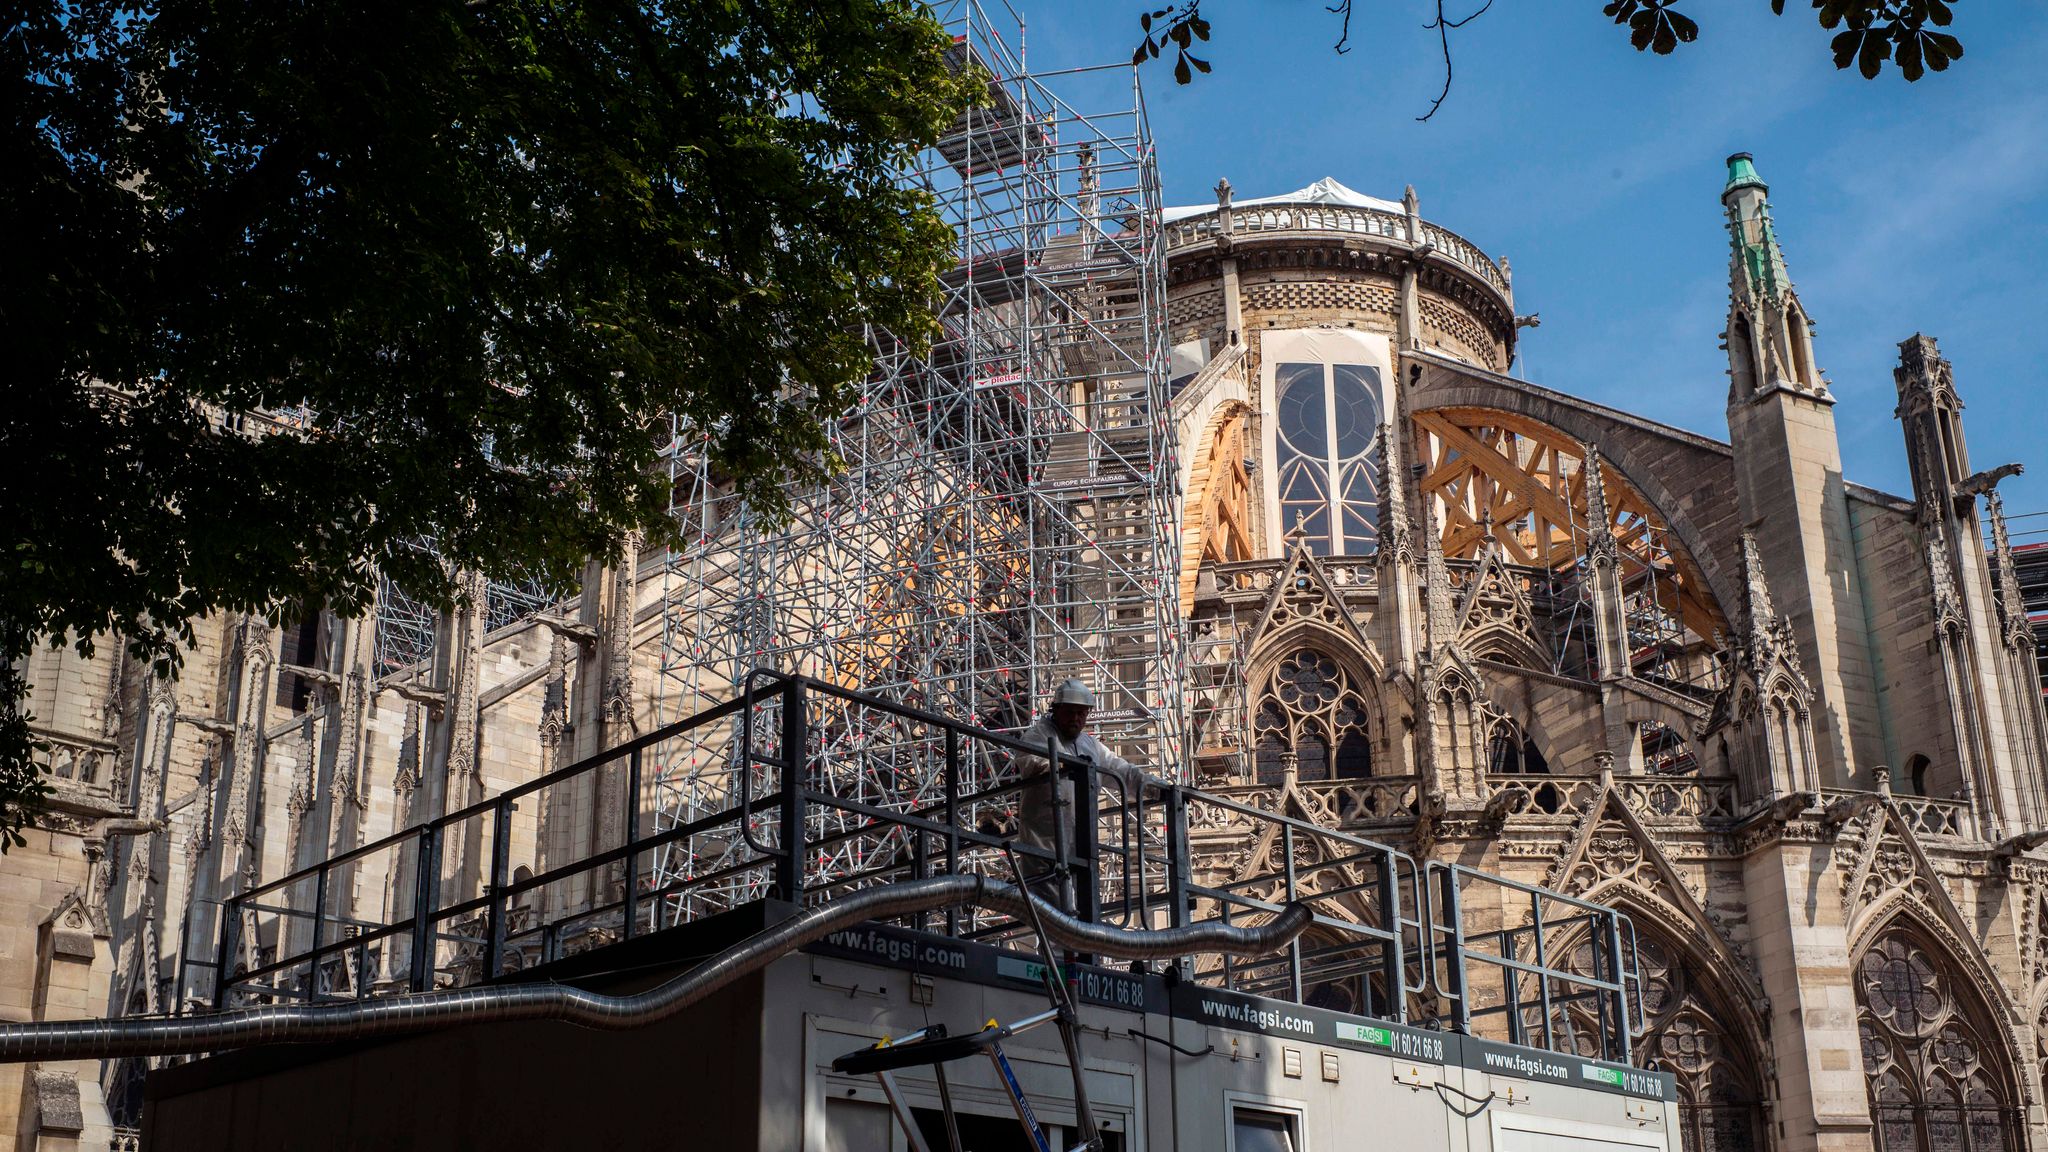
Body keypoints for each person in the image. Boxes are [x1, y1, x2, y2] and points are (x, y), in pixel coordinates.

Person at [1007, 679, 1166, 902]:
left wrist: (1157, 788)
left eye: (1081, 713)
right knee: (1053, 914)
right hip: (1044, 844)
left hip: (1082, 843)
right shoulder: (1038, 735)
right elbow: (1032, 761)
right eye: (1070, 712)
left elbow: (1120, 770)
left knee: (1082, 911)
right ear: (1056, 709)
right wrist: (1061, 765)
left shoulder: (1089, 745)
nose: (1076, 718)